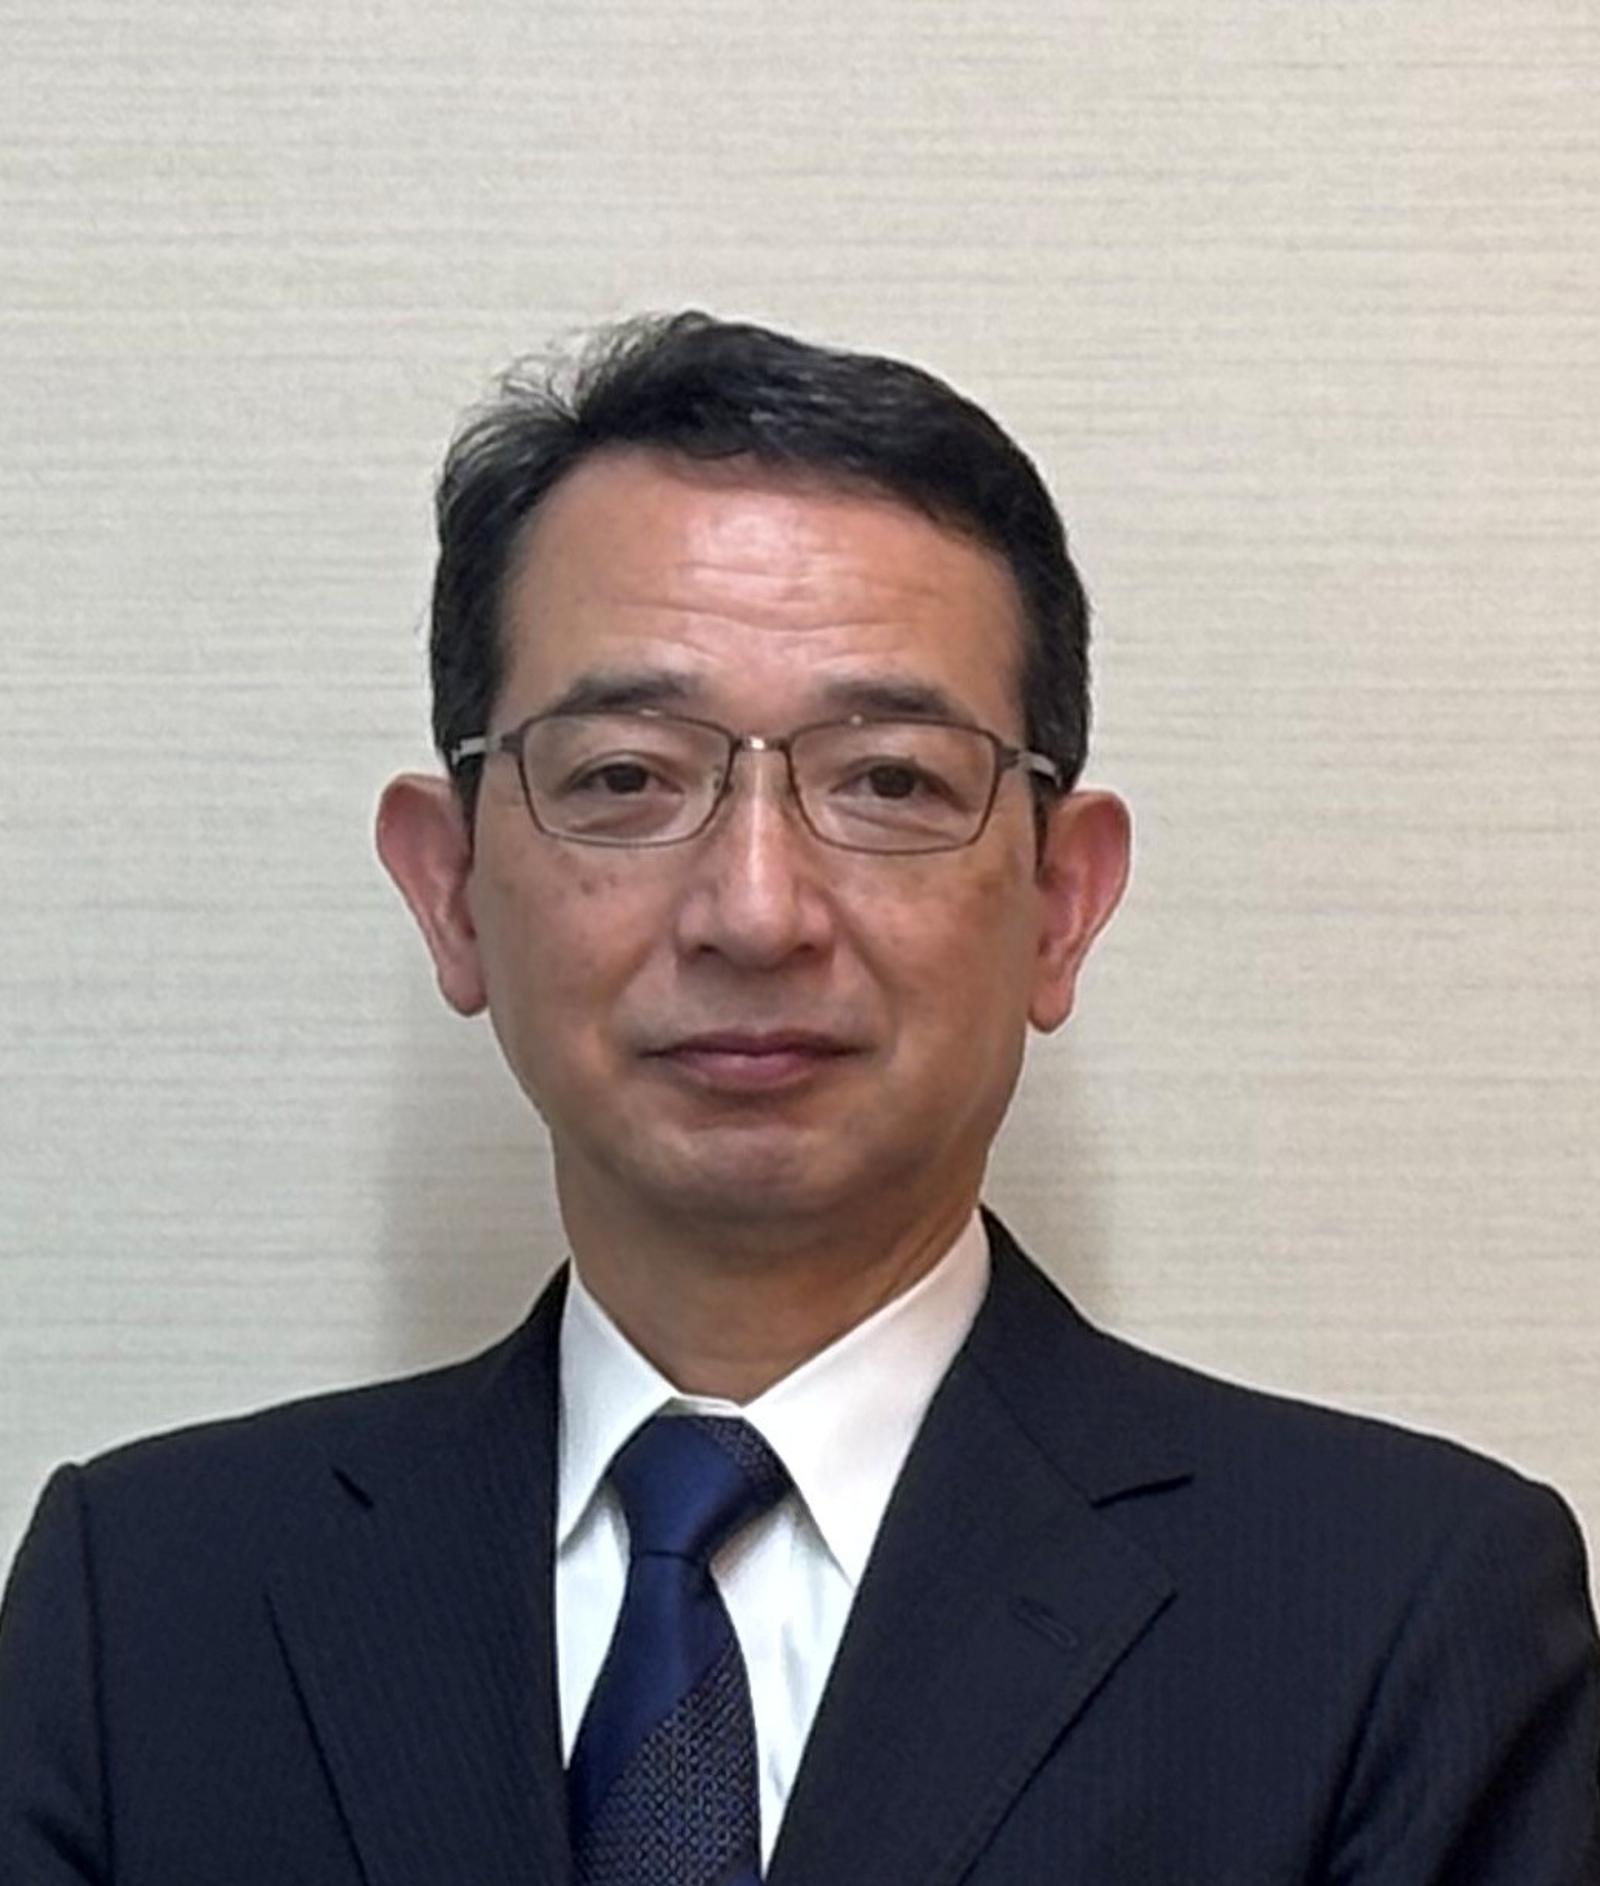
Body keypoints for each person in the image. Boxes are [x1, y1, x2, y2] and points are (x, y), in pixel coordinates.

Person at [1, 312, 1596, 1885]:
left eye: (889, 779)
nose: (756, 910)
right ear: (451, 889)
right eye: (625, 776)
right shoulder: (143, 1604)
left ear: (1060, 902)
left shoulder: (1398, 1616)